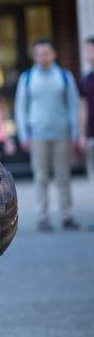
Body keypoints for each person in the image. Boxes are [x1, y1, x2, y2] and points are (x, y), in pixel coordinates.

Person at [14, 38, 81, 232]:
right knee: (41, 176)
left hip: (62, 134)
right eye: (40, 54)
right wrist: (24, 135)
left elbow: (73, 106)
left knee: (63, 176)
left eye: (47, 53)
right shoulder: (27, 78)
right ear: (35, 56)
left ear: (54, 54)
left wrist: (75, 133)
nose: (44, 57)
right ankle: (43, 216)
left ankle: (67, 215)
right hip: (37, 135)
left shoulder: (64, 76)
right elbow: (21, 109)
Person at [79, 36, 94, 231]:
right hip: (91, 135)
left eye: (91, 49)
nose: (88, 54)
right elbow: (82, 108)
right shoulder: (87, 77)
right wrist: (82, 134)